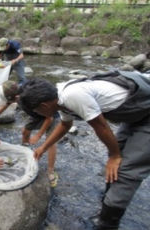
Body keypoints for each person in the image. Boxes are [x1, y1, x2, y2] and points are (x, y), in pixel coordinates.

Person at [18, 73, 150, 229]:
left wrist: (115, 156)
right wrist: (44, 147)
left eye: (36, 112)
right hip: (135, 115)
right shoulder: (58, 96)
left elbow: (100, 126)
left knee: (126, 170)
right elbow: (65, 125)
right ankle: (107, 204)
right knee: (115, 157)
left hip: (145, 115)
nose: (38, 115)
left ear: (44, 106)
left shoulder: (72, 95)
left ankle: (107, 224)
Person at [0, 80, 59, 187]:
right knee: (25, 131)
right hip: (36, 114)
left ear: (16, 97)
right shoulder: (16, 94)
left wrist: (38, 135)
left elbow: (49, 118)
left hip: (50, 114)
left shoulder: (28, 99)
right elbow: (3, 106)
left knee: (50, 142)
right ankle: (26, 151)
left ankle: (51, 170)